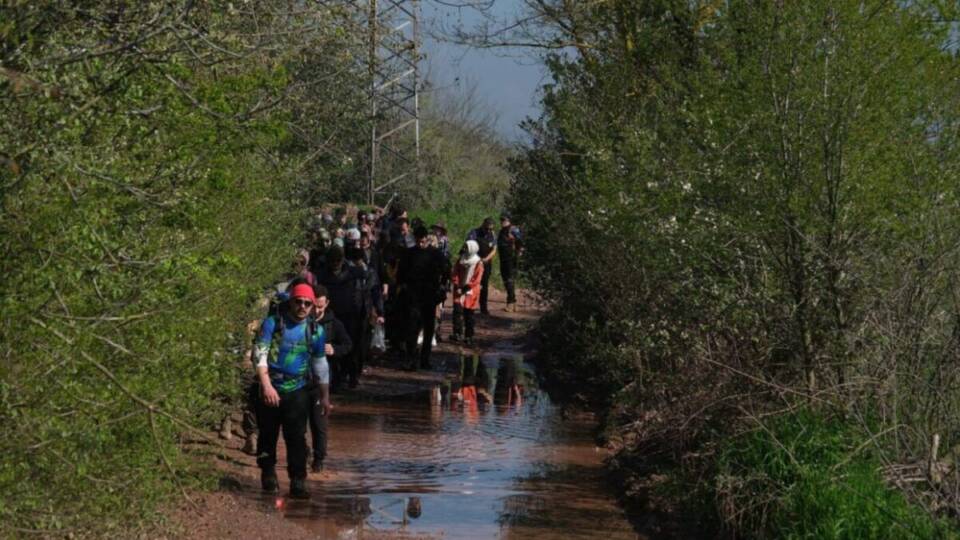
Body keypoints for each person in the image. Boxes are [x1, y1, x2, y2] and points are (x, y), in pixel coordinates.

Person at [253, 283, 328, 499]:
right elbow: (260, 356)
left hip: (298, 390)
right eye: (298, 302)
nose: (302, 306)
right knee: (267, 434)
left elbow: (320, 363)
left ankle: (298, 480)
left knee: (296, 437)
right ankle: (268, 474)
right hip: (270, 386)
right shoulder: (272, 324)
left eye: (307, 303)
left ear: (313, 306)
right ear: (290, 302)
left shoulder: (316, 331)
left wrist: (325, 397)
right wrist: (266, 385)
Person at [309, 285, 352, 472]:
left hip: (323, 380)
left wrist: (334, 349)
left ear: (326, 304)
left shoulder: (334, 324)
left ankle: (319, 459)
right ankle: (302, 452)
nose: (317, 311)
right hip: (299, 377)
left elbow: (348, 345)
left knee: (320, 423)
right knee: (297, 420)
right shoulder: (300, 322)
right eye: (314, 306)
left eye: (320, 306)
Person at [397, 226, 450, 370]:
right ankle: (412, 359)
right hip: (413, 297)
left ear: (426, 239)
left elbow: (447, 269)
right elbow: (400, 274)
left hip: (429, 295)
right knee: (412, 328)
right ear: (416, 239)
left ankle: (424, 360)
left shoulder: (435, 254)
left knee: (428, 329)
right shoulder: (409, 254)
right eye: (419, 241)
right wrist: (403, 285)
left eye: (423, 240)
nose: (421, 243)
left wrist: (442, 285)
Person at [450, 240, 484, 346]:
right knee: (457, 311)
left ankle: (469, 336)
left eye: (467, 247)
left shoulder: (478, 262)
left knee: (469, 315)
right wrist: (456, 284)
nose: (464, 248)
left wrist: (465, 288)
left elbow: (477, 279)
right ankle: (457, 333)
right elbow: (455, 272)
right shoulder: (461, 259)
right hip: (459, 289)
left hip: (471, 291)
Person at [467, 217, 497, 315]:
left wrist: (486, 259)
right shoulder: (474, 233)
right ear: (483, 225)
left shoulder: (492, 234)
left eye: (491, 229)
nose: (488, 230)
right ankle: (469, 306)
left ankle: (483, 307)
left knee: (484, 285)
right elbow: (468, 246)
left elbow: (494, 249)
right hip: (474, 262)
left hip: (486, 263)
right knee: (471, 284)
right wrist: (476, 259)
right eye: (487, 228)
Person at [497, 213, 524, 312]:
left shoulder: (513, 229)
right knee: (506, 280)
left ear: (509, 220)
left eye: (504, 220)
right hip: (503, 258)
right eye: (501, 220)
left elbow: (520, 242)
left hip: (510, 258)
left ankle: (511, 302)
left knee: (509, 279)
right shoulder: (502, 231)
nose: (502, 222)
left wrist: (518, 252)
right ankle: (512, 302)